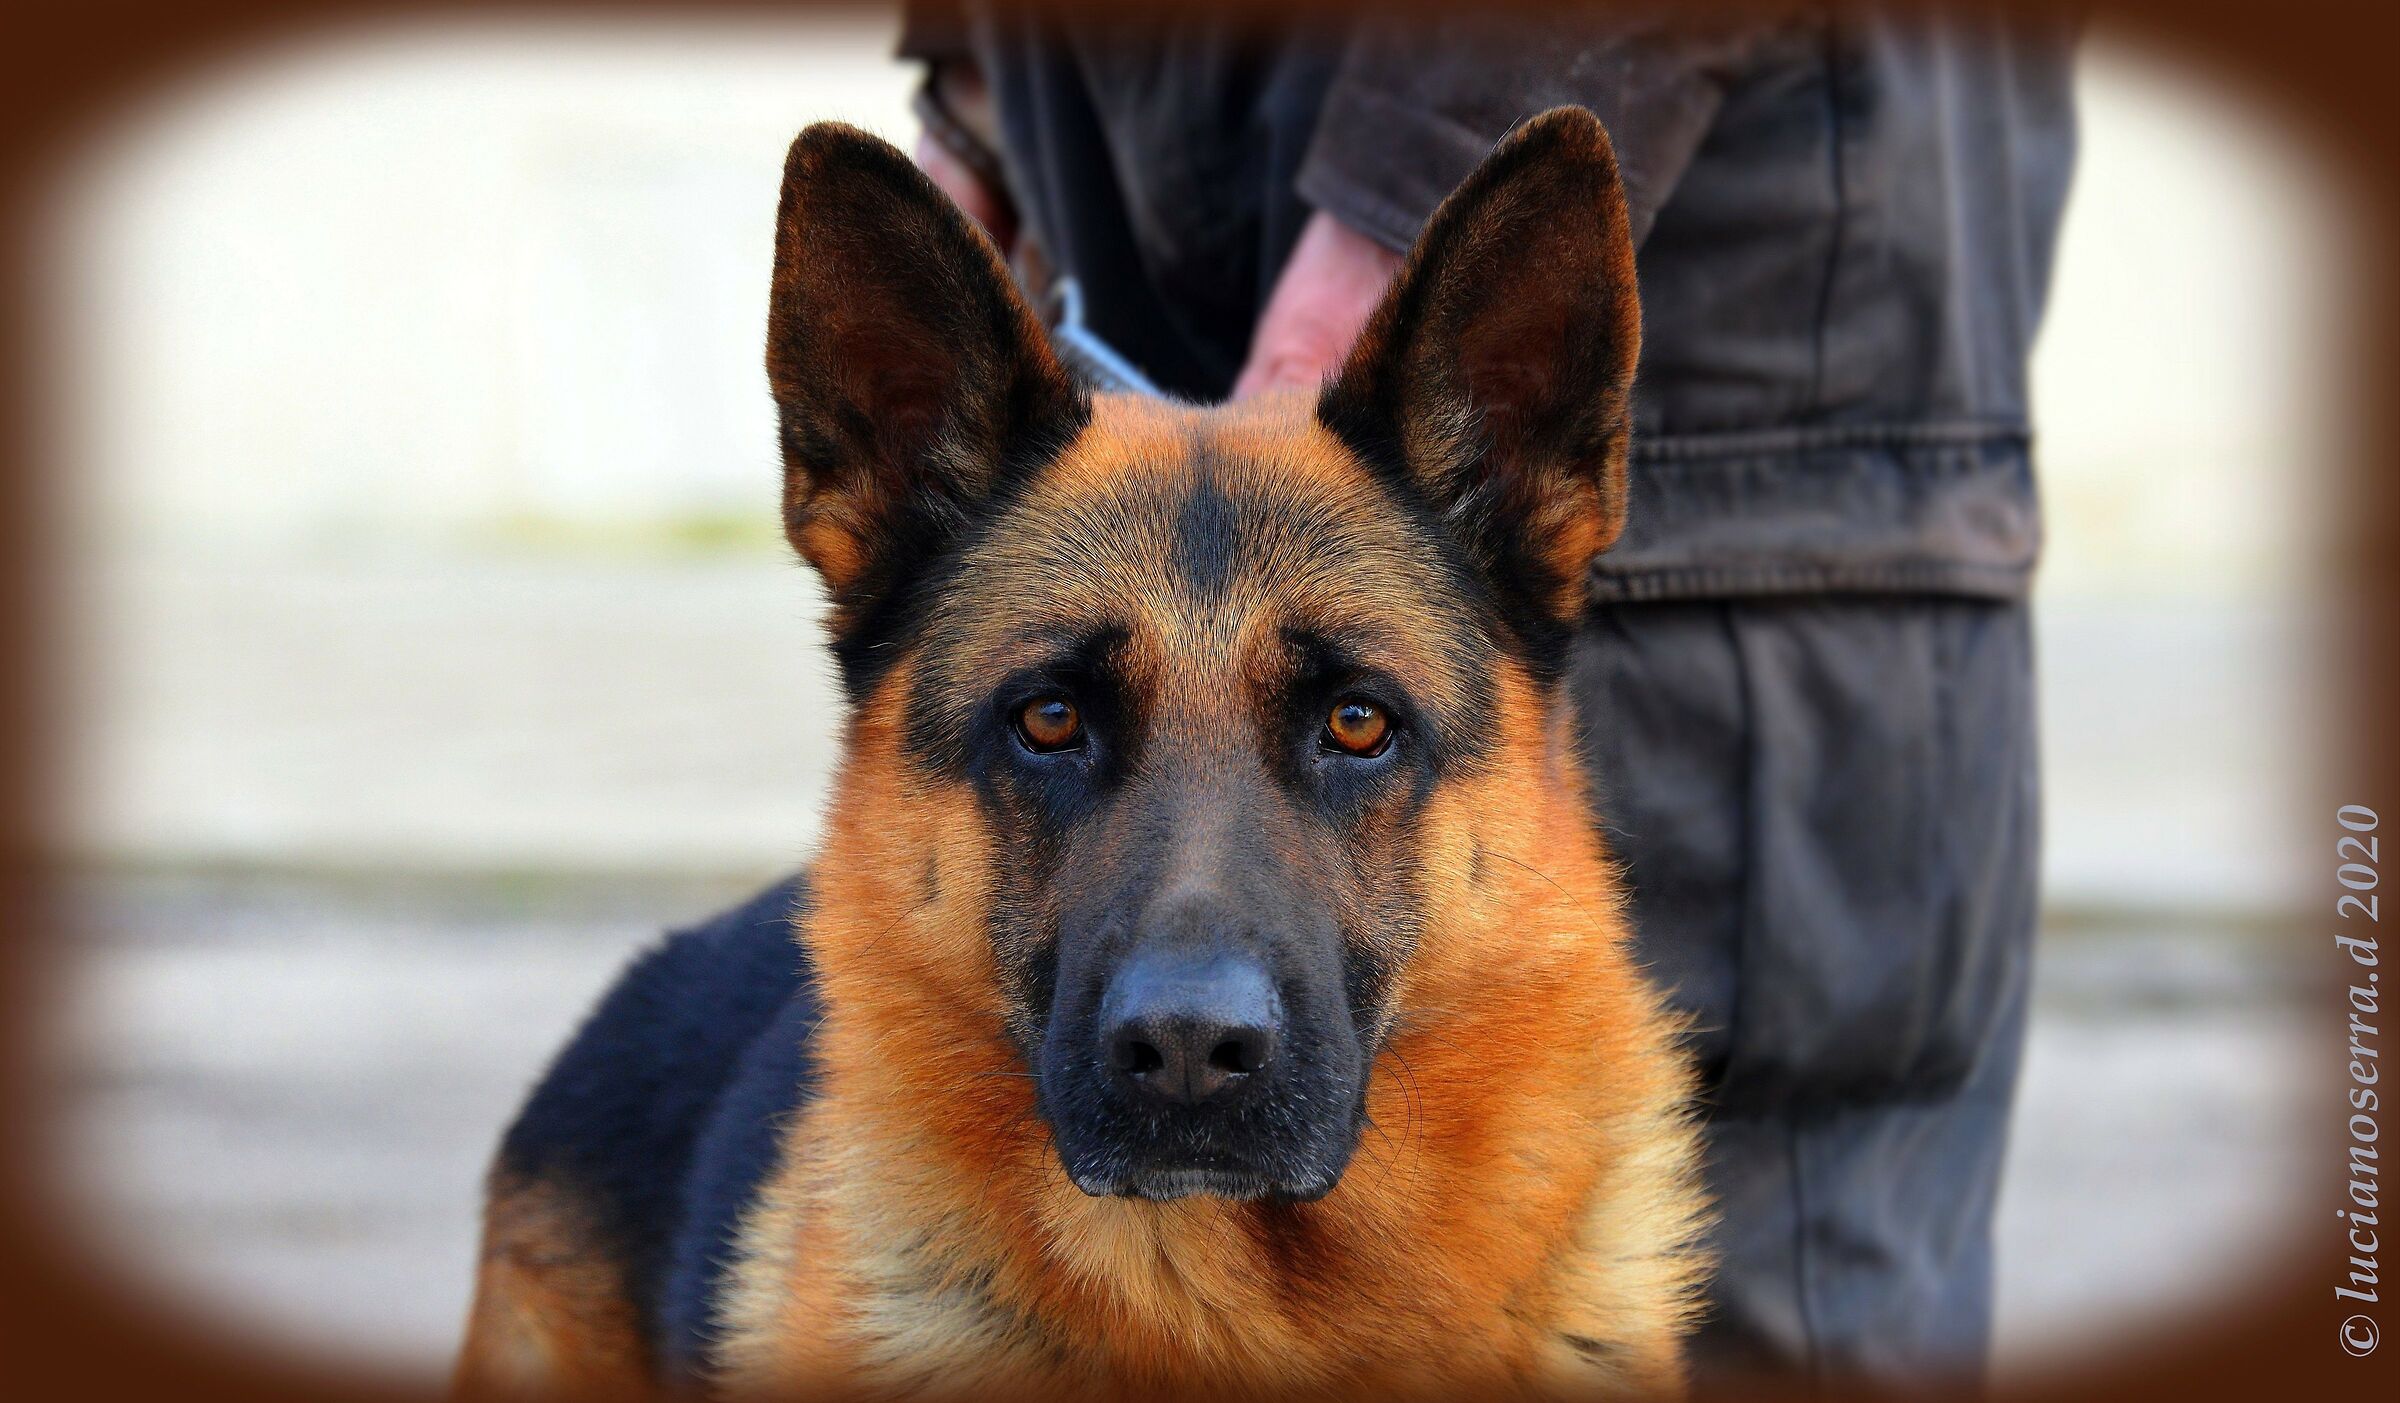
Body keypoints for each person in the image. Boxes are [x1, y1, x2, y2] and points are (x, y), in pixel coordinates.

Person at [815, 3, 2072, 1387]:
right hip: (1141, 273)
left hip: (1730, 418)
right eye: (1055, 723)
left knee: (1787, 1313)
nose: (1188, 1009)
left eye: (1350, 728)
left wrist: (1385, 232)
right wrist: (984, 105)